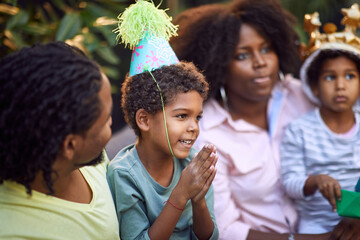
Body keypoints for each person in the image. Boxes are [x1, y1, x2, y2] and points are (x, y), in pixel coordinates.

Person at [169, 0, 339, 239]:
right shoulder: (204, 133)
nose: (260, 62)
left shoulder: (301, 96)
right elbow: (225, 230)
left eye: (266, 49)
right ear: (218, 64)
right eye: (242, 55)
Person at [107, 1, 219, 239]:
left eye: (197, 117)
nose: (194, 128)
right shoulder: (123, 173)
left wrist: (198, 200)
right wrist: (181, 194)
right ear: (144, 120)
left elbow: (209, 236)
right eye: (181, 116)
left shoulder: (191, 163)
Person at [0, 42, 120, 239]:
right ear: (70, 145)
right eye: (105, 120)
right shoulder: (13, 232)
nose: (111, 121)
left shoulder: (87, 159)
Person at [280, 5, 360, 233]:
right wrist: (315, 181)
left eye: (350, 76)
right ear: (314, 86)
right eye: (329, 77)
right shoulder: (299, 130)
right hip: (316, 225)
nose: (341, 85)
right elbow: (290, 182)